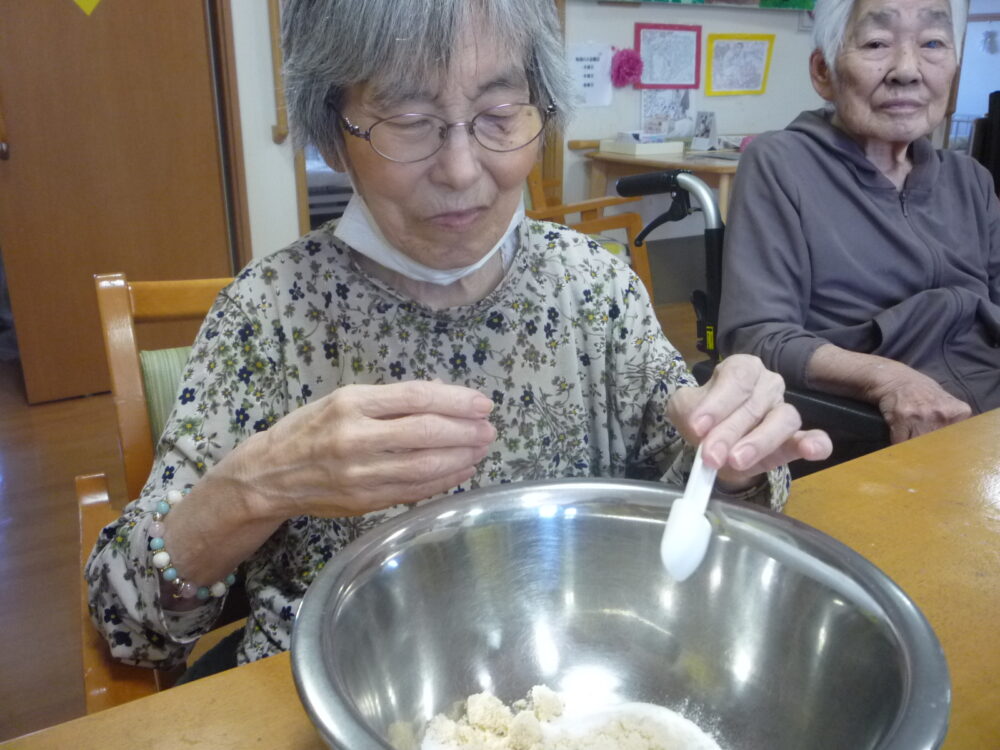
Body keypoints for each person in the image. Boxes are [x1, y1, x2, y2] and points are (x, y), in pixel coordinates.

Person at [86, 0, 831, 675]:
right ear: (335, 134)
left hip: (576, 687)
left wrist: (732, 454)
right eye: (408, 121)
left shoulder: (591, 287)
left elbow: (685, 515)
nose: (461, 169)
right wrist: (256, 487)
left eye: (500, 113)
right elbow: (132, 623)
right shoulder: (270, 318)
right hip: (337, 699)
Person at [719, 0, 999, 446]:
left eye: (932, 43)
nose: (907, 69)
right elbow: (757, 337)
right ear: (823, 72)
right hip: (876, 431)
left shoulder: (970, 180)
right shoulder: (781, 165)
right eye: (876, 43)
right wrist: (889, 380)